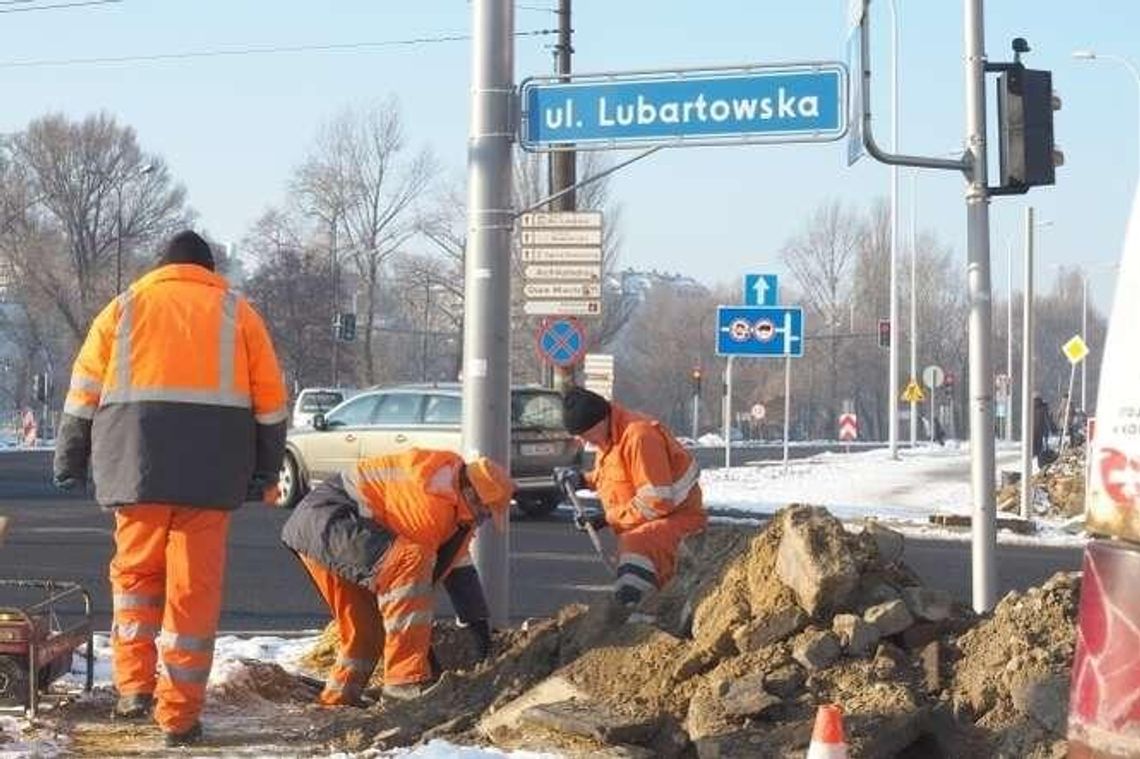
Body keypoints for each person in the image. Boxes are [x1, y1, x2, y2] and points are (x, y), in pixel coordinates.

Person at [53, 231, 288, 747]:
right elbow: (271, 402)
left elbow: (84, 389)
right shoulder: (238, 312)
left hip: (134, 469)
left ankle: (133, 691)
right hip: (211, 477)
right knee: (192, 591)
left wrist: (70, 457)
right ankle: (179, 718)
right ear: (207, 269)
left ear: (163, 266)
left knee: (135, 579)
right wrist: (266, 472)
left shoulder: (124, 308)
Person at [281, 449, 514, 705]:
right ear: (472, 495)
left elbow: (457, 565)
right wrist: (419, 664)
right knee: (409, 562)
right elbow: (410, 587)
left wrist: (477, 625)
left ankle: (336, 701)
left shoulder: (454, 503)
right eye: (486, 512)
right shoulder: (430, 503)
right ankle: (403, 682)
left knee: (366, 631)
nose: (484, 519)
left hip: (332, 527)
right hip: (332, 521)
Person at [557, 386, 706, 618]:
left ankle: (639, 623)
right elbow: (615, 476)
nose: (582, 441)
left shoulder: (639, 436)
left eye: (584, 435)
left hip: (679, 523)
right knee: (634, 545)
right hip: (651, 524)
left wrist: (606, 518)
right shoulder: (609, 438)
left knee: (636, 548)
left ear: (600, 421)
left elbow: (656, 501)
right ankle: (641, 617)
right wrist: (582, 480)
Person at [1032, 393, 1057, 469]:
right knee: (1041, 449)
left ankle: (1034, 463)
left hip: (1032, 431)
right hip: (1042, 431)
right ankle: (1040, 464)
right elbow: (1048, 420)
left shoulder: (1030, 407)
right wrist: (1053, 428)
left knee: (1034, 449)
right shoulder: (1044, 407)